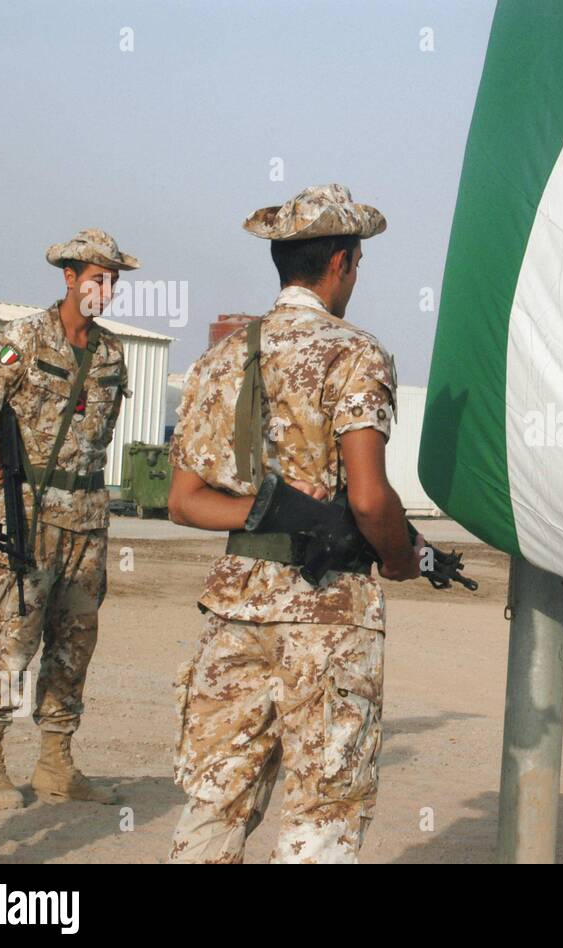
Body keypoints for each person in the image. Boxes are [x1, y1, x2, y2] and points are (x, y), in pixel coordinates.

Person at [167, 183, 421, 863]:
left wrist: (263, 509)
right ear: (340, 263)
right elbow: (369, 499)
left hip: (236, 608)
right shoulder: (354, 352)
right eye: (357, 265)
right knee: (323, 809)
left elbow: (184, 501)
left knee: (215, 797)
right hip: (329, 614)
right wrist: (402, 556)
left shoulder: (220, 358)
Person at [0, 228, 137, 808]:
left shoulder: (111, 353)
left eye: (111, 281)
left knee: (74, 643)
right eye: (94, 278)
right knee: (12, 638)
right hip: (28, 517)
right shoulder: (22, 339)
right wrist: (3, 482)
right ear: (69, 277)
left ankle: (56, 762)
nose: (103, 290)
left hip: (87, 518)